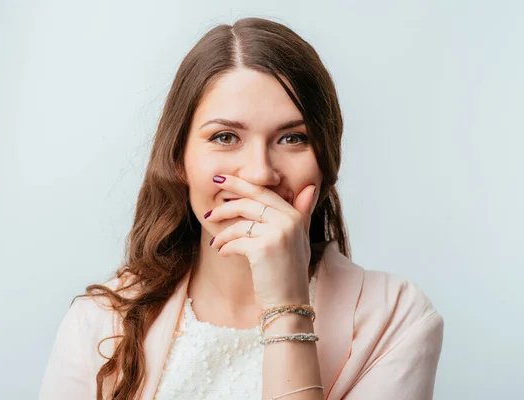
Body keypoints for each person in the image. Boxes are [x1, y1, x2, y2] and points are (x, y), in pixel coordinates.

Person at [38, 17, 443, 400]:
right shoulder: (99, 320)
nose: (261, 173)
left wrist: (287, 304)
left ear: (326, 158)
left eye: (292, 138)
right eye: (226, 136)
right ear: (179, 158)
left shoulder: (397, 316)